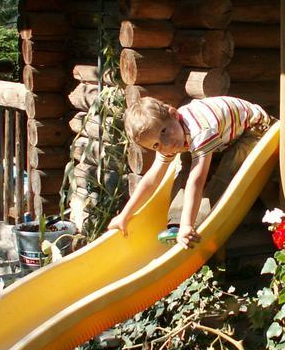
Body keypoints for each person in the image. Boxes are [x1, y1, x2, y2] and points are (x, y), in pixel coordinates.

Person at [108, 95, 272, 248]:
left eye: (164, 131)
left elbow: (197, 180)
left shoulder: (200, 129)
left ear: (174, 114)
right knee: (184, 165)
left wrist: (188, 225)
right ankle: (176, 224)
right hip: (225, 135)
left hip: (254, 129)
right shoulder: (171, 138)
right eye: (156, 145)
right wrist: (124, 215)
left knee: (228, 171)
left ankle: (195, 223)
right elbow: (151, 179)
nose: (166, 144)